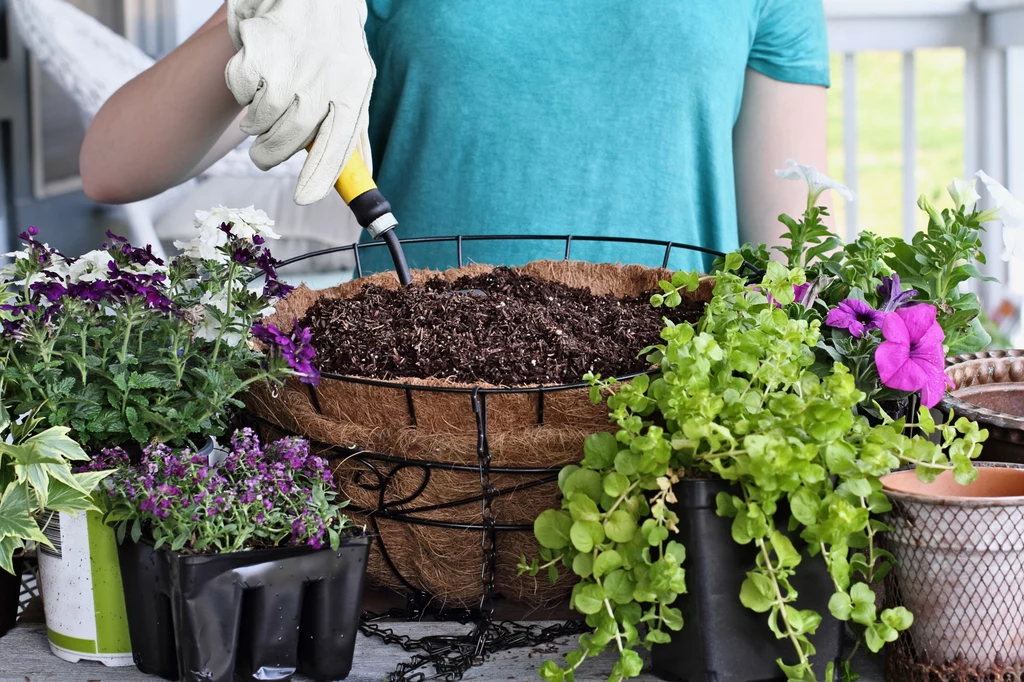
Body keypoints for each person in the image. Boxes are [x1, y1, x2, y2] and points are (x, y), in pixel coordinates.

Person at [81, 1, 831, 273]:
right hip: (419, 436)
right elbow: (111, 165)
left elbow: (788, 256)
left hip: (670, 449)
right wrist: (266, 7)